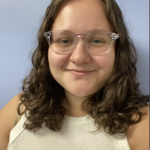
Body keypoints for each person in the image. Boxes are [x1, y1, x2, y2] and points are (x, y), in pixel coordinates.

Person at [0, 0, 149, 149]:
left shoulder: (142, 124)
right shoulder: (19, 110)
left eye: (97, 40)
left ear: (118, 50)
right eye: (64, 40)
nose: (79, 57)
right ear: (47, 48)